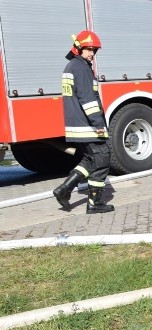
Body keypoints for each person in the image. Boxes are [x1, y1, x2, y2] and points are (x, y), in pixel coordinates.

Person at [52, 30, 114, 214]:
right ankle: (94, 203)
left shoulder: (71, 66)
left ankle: (64, 190)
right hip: (87, 126)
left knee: (90, 159)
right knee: (102, 159)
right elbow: (88, 100)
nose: (92, 54)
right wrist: (99, 125)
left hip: (77, 126)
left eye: (94, 50)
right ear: (78, 48)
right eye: (88, 49)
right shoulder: (81, 69)